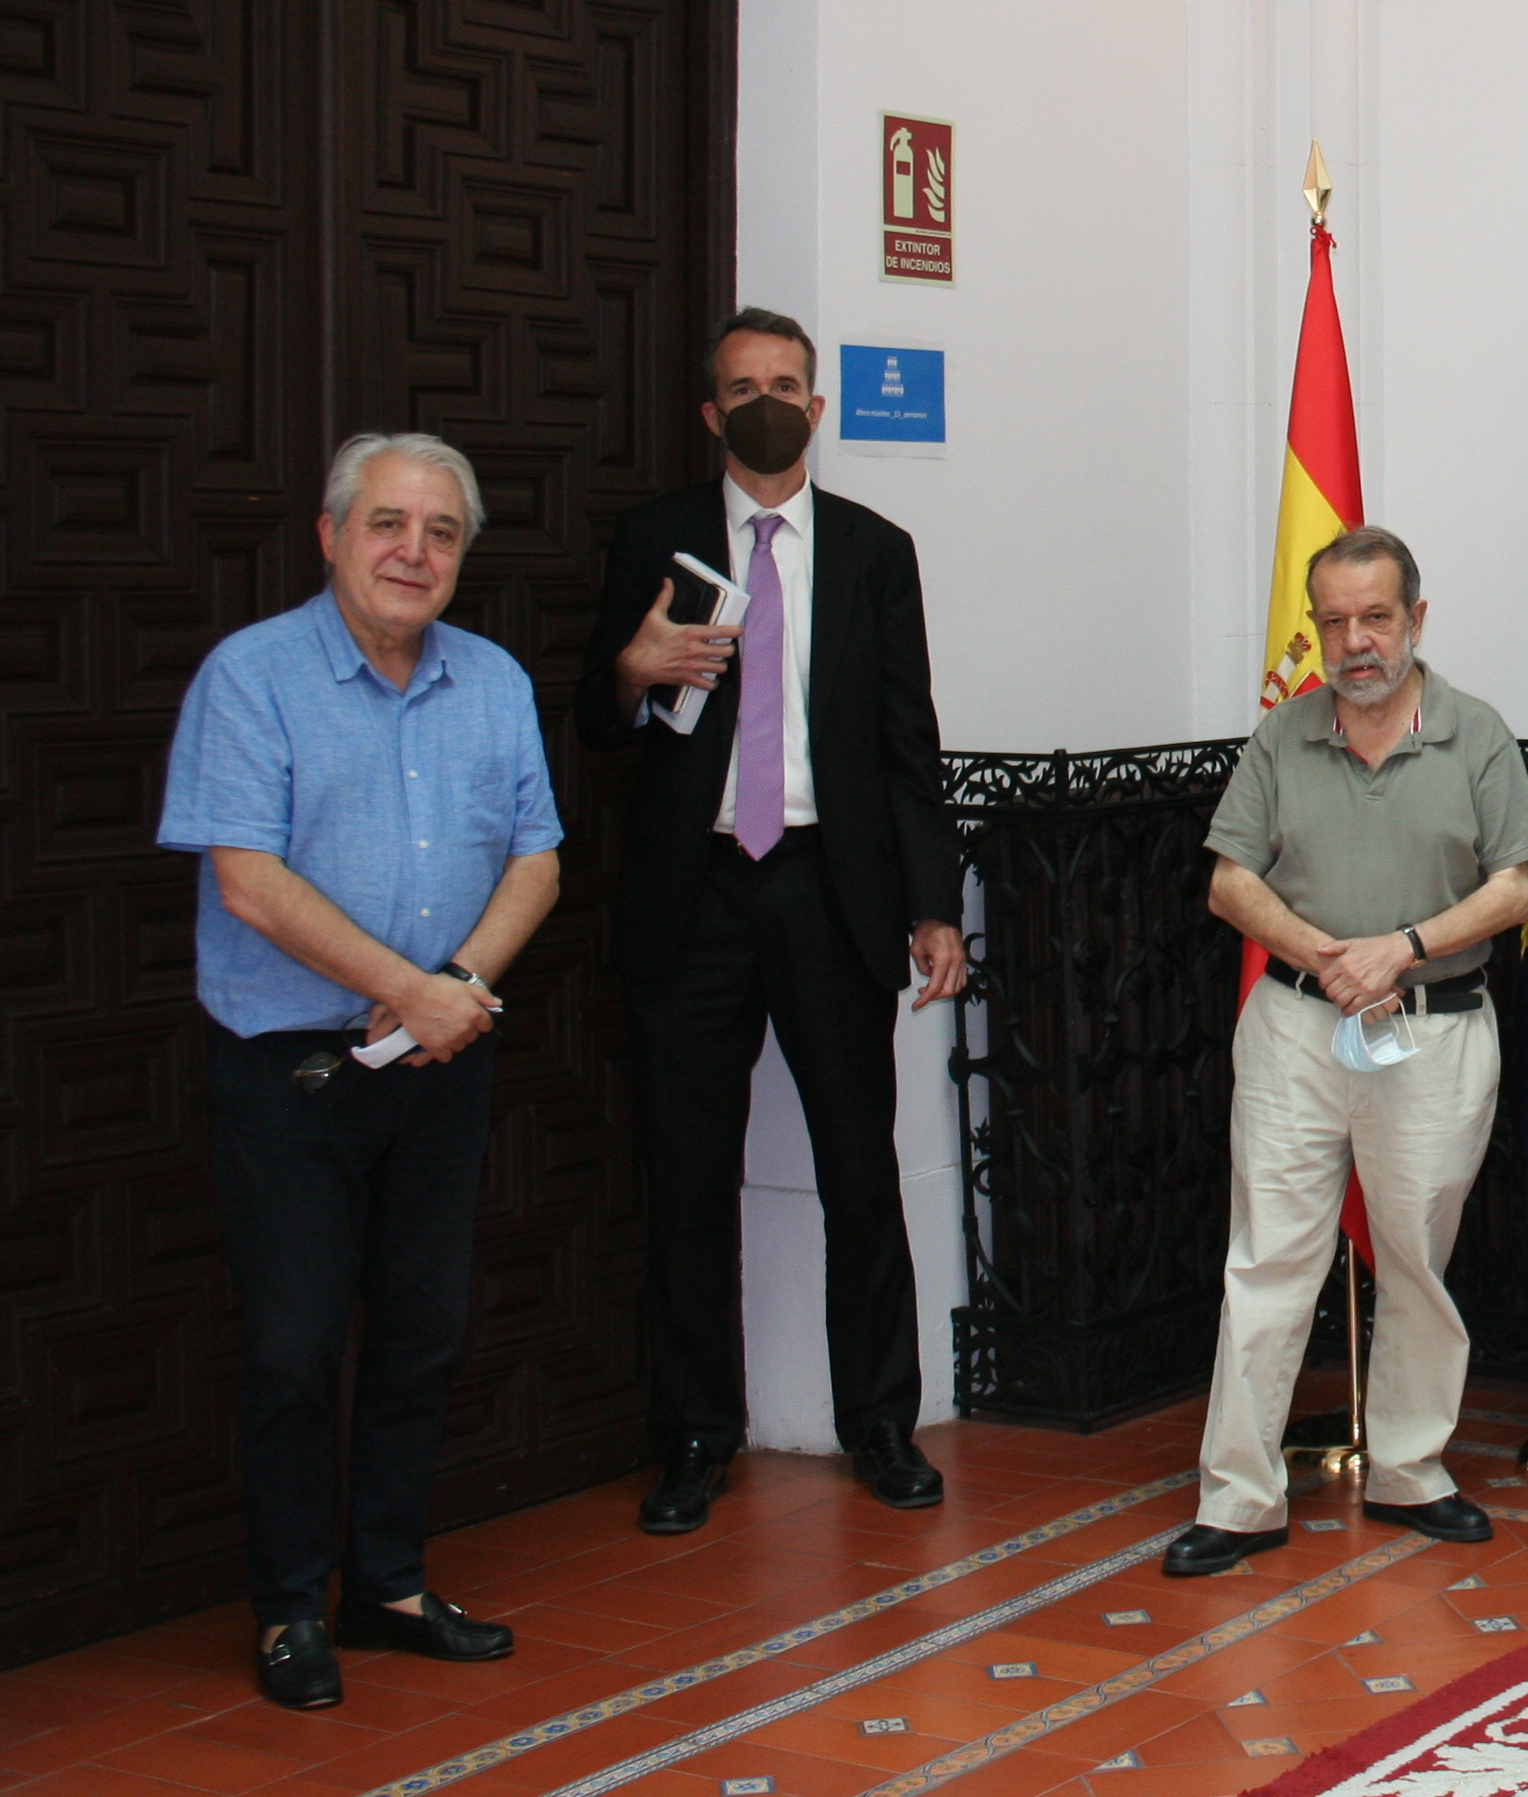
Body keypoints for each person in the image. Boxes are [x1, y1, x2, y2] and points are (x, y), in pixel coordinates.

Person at [158, 433, 562, 1710]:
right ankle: (288, 1608)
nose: (414, 552)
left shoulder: (492, 681)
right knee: (290, 1346)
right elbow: (247, 877)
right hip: (293, 1071)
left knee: (421, 1332)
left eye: (441, 533)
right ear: (330, 535)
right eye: (388, 524)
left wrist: (461, 996)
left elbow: (538, 858)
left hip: (441, 1063)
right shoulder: (253, 678)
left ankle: (385, 1583)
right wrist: (411, 991)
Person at [576, 307, 967, 1534]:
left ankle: (881, 1429)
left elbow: (911, 743)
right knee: (690, 1177)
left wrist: (931, 904)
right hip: (690, 898)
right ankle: (696, 1434)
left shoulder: (870, 550)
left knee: (861, 1172)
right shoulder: (654, 540)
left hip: (827, 887)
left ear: (816, 407)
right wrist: (635, 674)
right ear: (709, 412)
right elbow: (593, 723)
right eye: (739, 385)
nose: (763, 401)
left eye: (784, 384)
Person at [1164, 527, 1528, 1578]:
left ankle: (1411, 1470)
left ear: (1416, 620)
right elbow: (1227, 881)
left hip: (1434, 1029)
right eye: (1333, 622)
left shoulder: (1475, 735)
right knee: (1269, 1258)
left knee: (1417, 1260)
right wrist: (1327, 955)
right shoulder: (1282, 738)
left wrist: (1403, 950)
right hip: (1297, 1025)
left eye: (1376, 618)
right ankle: (1240, 1496)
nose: (1355, 641)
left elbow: (1515, 885)